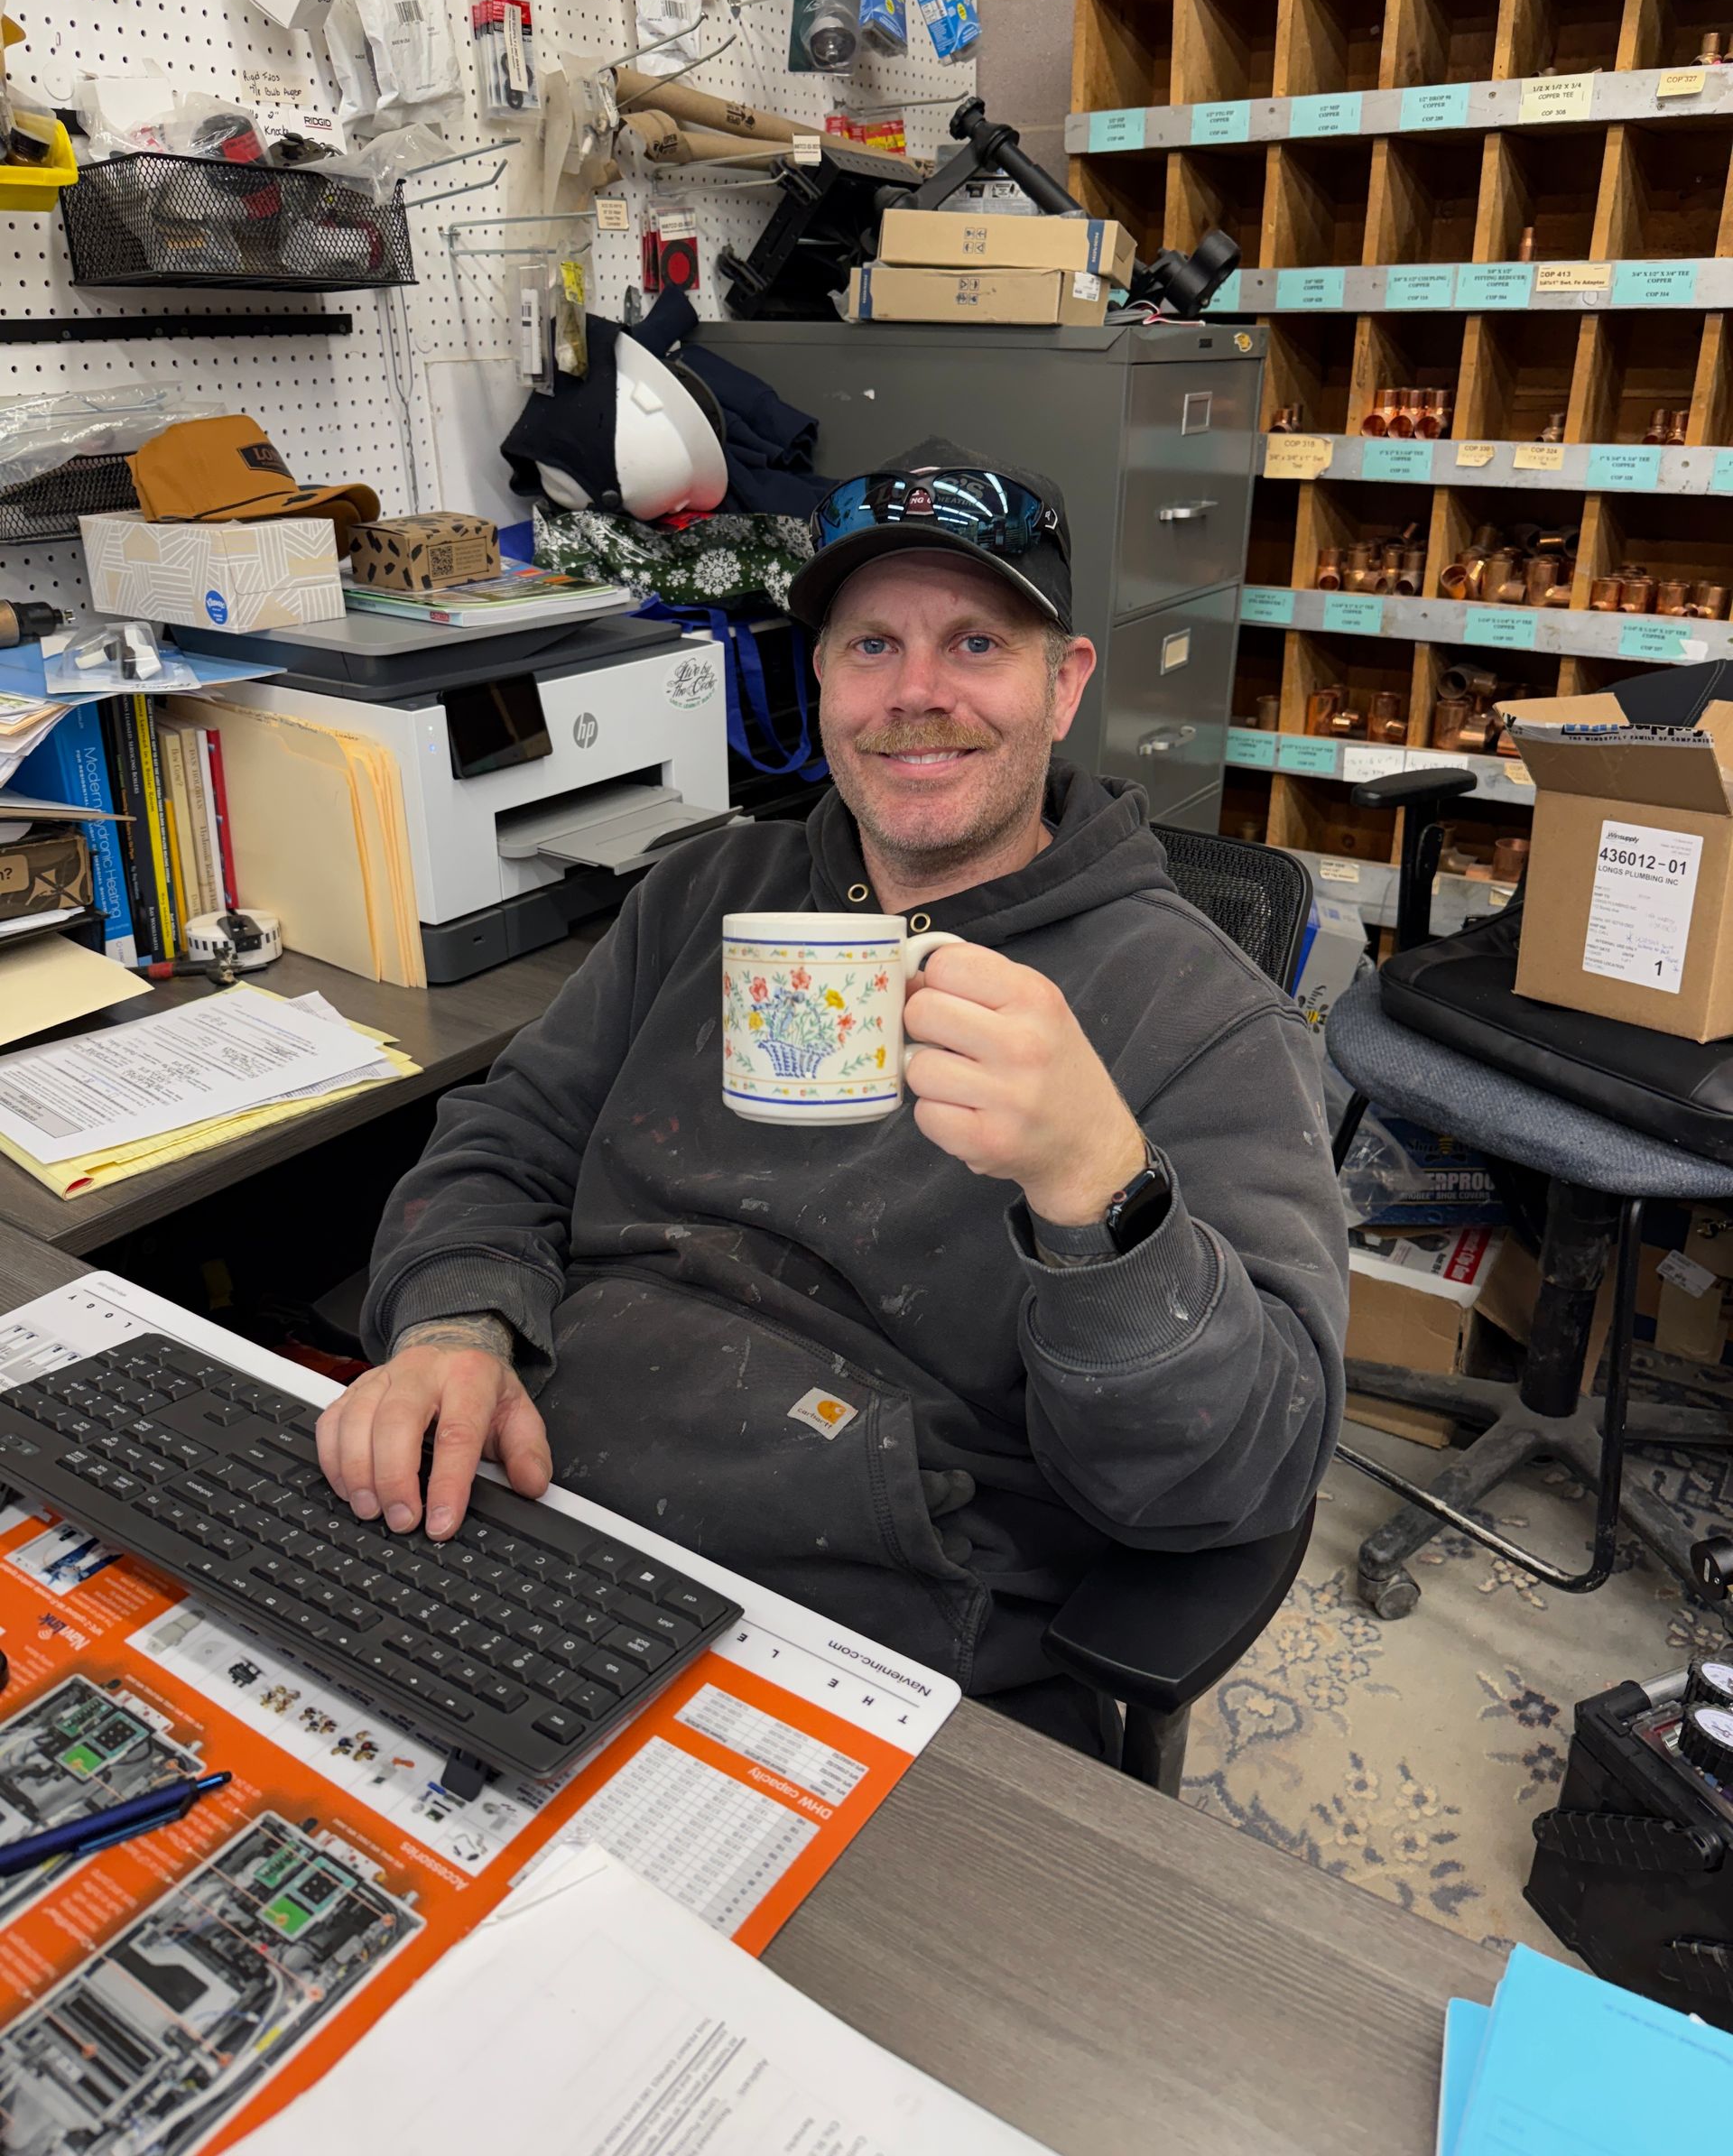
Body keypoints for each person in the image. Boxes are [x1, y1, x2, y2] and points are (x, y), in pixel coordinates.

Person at [328, 439, 1348, 1757]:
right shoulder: (706, 891)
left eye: (977, 645)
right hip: (518, 1495)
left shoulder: (1198, 1016)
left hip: (858, 1616)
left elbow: (1236, 1476)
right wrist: (454, 1329)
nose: (916, 694)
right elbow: (507, 1136)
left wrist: (1104, 1194)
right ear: (819, 677)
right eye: (870, 646)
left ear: (1066, 683)